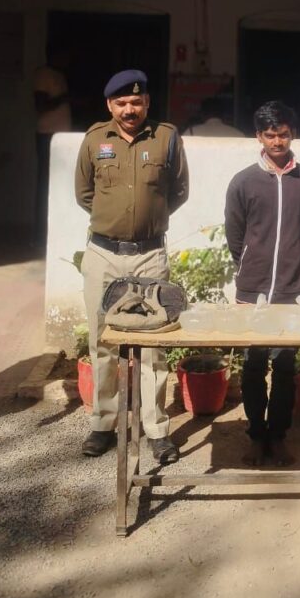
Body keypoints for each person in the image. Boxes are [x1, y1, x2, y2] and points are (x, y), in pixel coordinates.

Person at [75, 69, 188, 463]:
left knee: (155, 344)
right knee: (102, 339)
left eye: (136, 102)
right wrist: (115, 219)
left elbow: (179, 191)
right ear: (110, 105)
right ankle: (103, 423)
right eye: (121, 103)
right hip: (103, 253)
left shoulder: (167, 138)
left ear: (147, 103)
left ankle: (156, 429)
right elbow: (84, 193)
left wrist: (148, 219)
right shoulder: (94, 140)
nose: (129, 109)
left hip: (150, 254)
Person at [224, 100, 300, 467]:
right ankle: (256, 435)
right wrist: (251, 266)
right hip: (252, 290)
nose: (277, 141)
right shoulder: (243, 181)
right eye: (270, 135)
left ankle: (279, 436)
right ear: (259, 137)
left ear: (292, 134)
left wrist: (296, 266)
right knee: (253, 365)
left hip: (292, 290)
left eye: (283, 134)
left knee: (285, 367)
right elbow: (235, 235)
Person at [34, 45, 72, 245]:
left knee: (61, 185)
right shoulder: (44, 75)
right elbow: (40, 105)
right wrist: (64, 98)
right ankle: (41, 235)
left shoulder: (60, 76)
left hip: (61, 136)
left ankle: (55, 232)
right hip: (47, 136)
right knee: (45, 185)